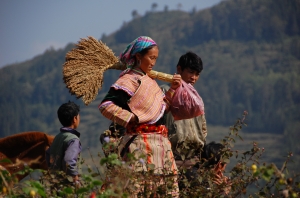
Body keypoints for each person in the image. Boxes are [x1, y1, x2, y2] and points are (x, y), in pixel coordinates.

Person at [98, 36, 182, 197]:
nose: (153, 63)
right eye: (151, 58)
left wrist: (173, 89)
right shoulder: (128, 80)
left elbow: (161, 111)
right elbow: (106, 105)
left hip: (161, 147)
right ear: (138, 57)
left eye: (155, 59)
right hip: (139, 146)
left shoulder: (151, 82)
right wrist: (131, 118)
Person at [160, 51, 207, 168]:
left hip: (194, 158)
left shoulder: (196, 97)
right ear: (179, 69)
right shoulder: (165, 91)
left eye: (197, 74)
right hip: (171, 157)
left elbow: (203, 127)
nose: (194, 77)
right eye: (191, 72)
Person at [46, 101, 82, 186]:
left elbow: (48, 153)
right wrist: (75, 179)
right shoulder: (73, 139)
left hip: (55, 184)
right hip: (68, 186)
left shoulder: (58, 137)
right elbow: (69, 161)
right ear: (75, 119)